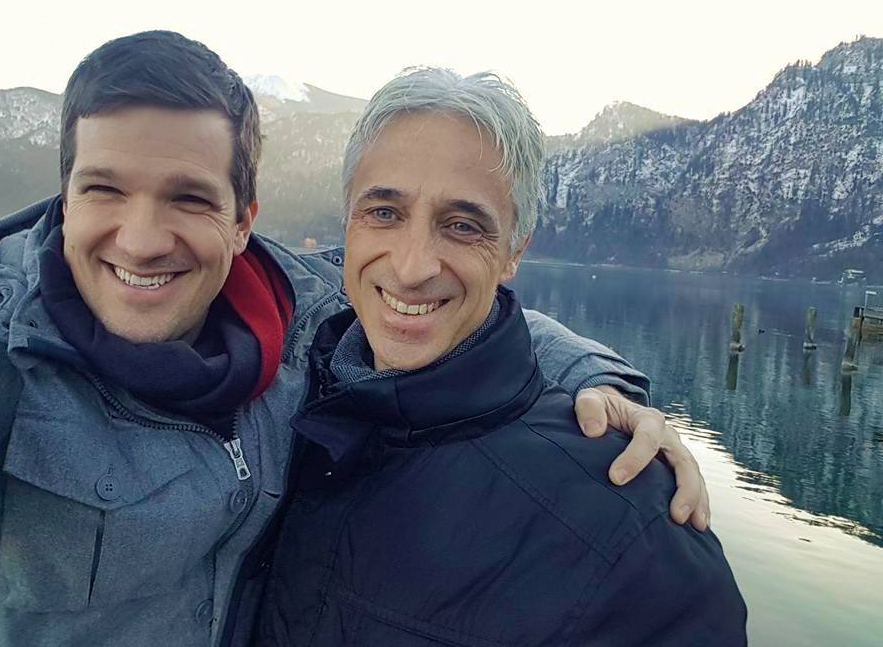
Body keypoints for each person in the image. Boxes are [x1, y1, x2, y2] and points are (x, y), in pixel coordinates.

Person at [0, 32, 706, 647]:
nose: (142, 239)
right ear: (64, 199)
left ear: (243, 222)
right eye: (105, 190)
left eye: (189, 198)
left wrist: (600, 384)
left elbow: (452, 308)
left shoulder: (295, 316)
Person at [255, 69, 747, 646]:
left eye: (463, 226)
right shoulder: (283, 393)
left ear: (514, 252)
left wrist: (604, 380)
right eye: (384, 213)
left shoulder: (633, 536)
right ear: (348, 223)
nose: (412, 268)